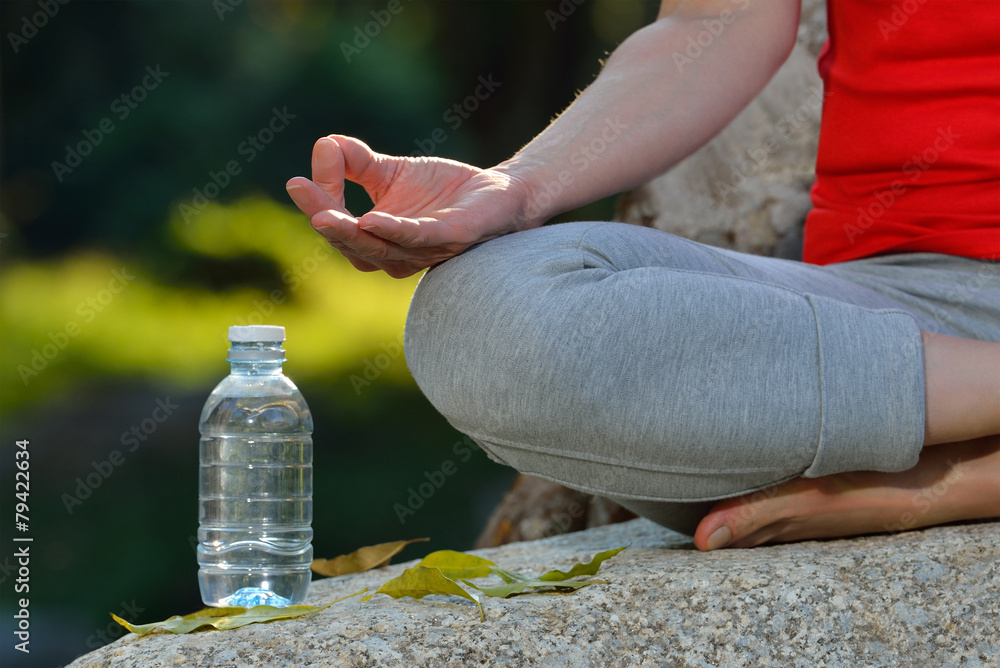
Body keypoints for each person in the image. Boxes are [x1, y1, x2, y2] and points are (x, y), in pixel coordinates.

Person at [286, 0, 1000, 550]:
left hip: (925, 371)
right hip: (910, 324)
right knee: (477, 312)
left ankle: (965, 465)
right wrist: (518, 188)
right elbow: (715, 20)